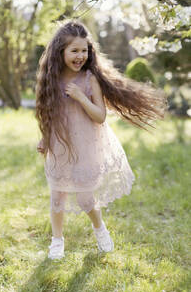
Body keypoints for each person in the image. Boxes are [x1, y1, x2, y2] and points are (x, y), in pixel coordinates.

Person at [35, 20, 167, 260]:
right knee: (57, 198)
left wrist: (80, 97)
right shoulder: (52, 80)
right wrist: (45, 138)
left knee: (86, 199)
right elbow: (49, 114)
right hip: (61, 145)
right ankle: (57, 241)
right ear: (60, 51)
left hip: (87, 146)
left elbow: (100, 116)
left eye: (84, 50)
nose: (80, 56)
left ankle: (100, 228)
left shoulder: (89, 79)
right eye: (74, 50)